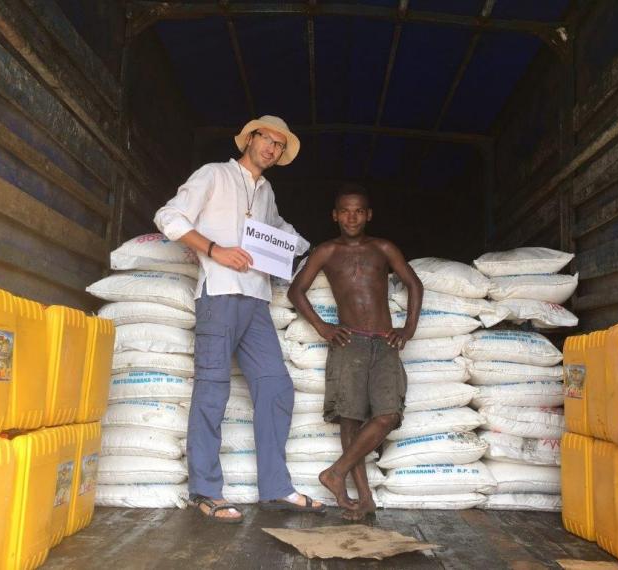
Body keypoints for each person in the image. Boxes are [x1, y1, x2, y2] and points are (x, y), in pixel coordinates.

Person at [154, 115, 325, 523]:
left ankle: (276, 488)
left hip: (257, 300)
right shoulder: (214, 174)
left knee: (276, 386)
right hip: (219, 293)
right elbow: (168, 217)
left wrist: (310, 247)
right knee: (213, 389)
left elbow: (279, 230)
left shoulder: (266, 192)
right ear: (250, 138)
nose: (272, 149)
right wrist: (215, 250)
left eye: (280, 146)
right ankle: (205, 491)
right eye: (268, 139)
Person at [287, 183, 423, 520]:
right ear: (335, 215)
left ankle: (336, 472)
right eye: (345, 211)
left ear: (368, 214)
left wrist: (408, 329)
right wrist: (323, 327)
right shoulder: (326, 251)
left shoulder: (383, 248)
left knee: (387, 415)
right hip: (349, 343)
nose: (352, 217)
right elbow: (296, 291)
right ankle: (365, 499)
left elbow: (414, 284)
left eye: (358, 211)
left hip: (384, 341)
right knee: (350, 420)